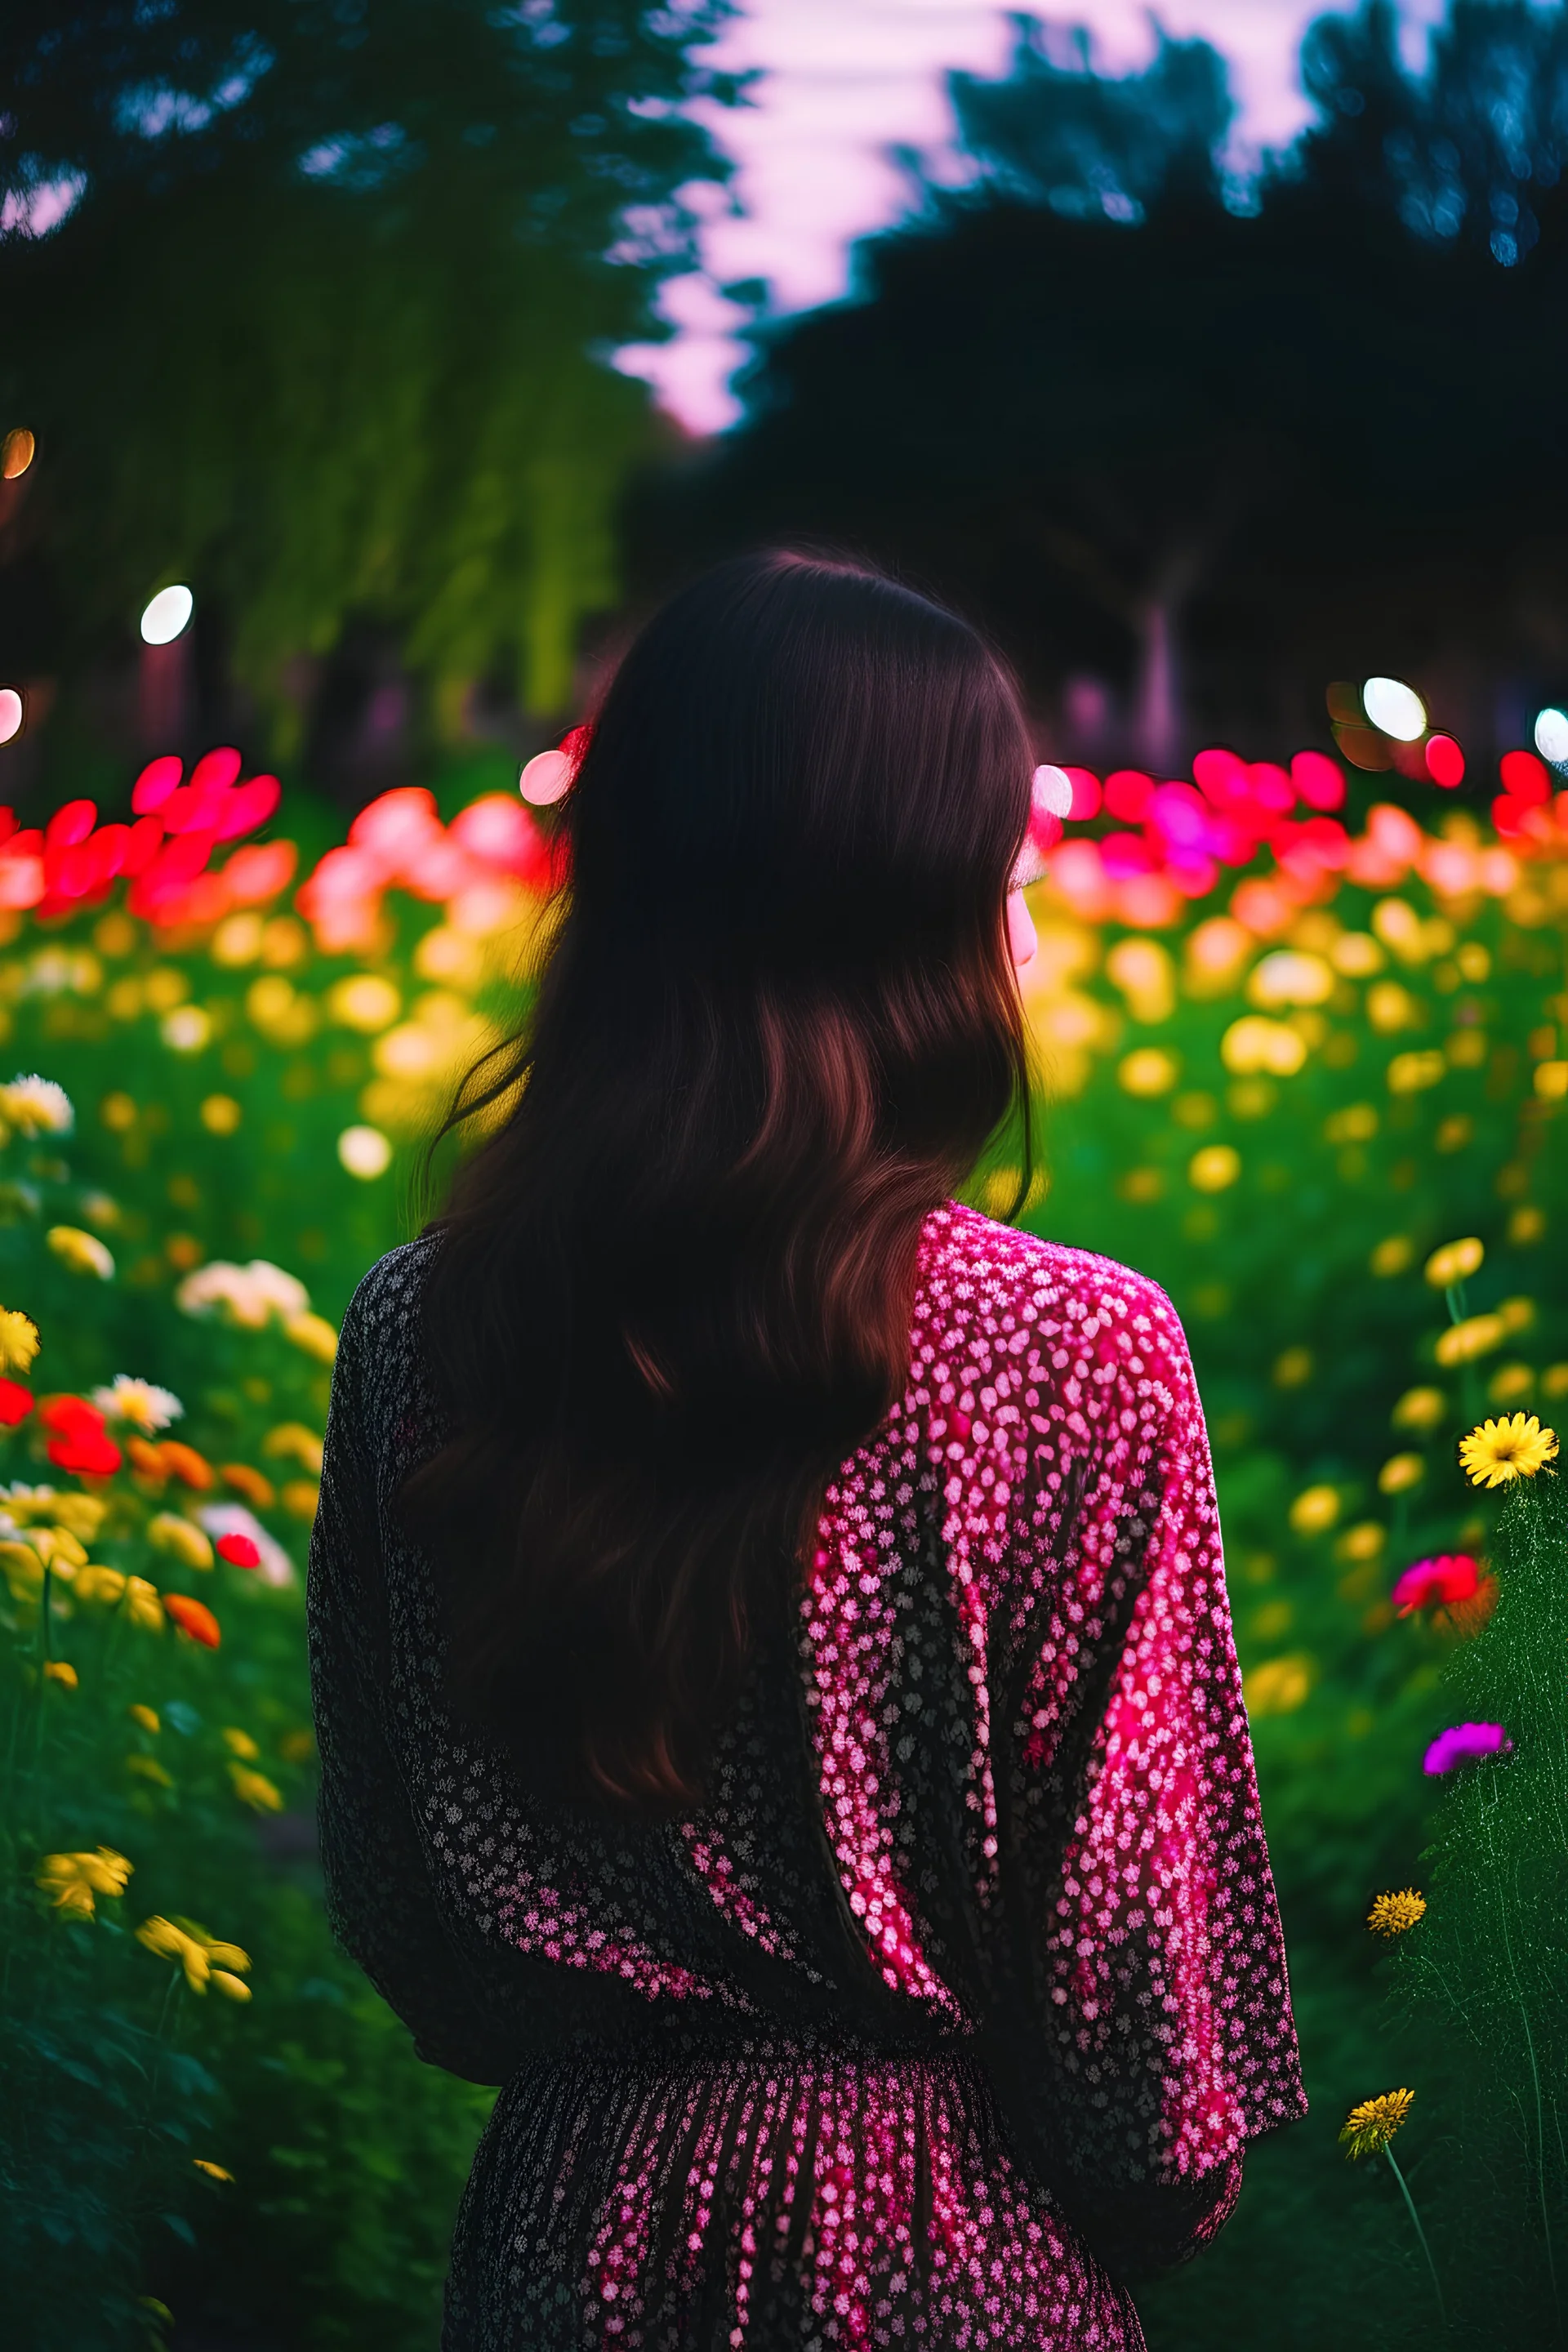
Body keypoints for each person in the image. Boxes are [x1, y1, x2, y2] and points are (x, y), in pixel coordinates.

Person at [307, 550, 1307, 2352]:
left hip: (569, 2245)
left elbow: (402, 1908)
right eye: (1007, 869)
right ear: (909, 911)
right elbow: (1145, 2051)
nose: (1028, 918)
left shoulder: (419, 1333)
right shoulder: (1079, 1355)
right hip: (957, 2256)